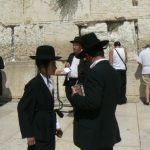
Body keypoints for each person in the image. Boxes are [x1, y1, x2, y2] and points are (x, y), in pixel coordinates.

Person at [70, 33, 121, 150]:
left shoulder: (94, 72)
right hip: (108, 131)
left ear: (88, 56)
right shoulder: (113, 71)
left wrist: (75, 95)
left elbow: (92, 103)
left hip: (94, 135)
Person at [17, 45, 63, 150]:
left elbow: (49, 108)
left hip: (48, 131)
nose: (55, 67)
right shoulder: (34, 85)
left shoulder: (48, 81)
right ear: (43, 66)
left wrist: (56, 125)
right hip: (39, 134)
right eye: (53, 64)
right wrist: (29, 134)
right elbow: (22, 108)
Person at [63, 36, 90, 111]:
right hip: (69, 79)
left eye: (76, 45)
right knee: (68, 94)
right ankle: (75, 107)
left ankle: (78, 108)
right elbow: (66, 69)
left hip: (78, 80)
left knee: (78, 95)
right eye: (73, 45)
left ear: (81, 46)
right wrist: (66, 67)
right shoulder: (71, 55)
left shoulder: (84, 56)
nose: (74, 47)